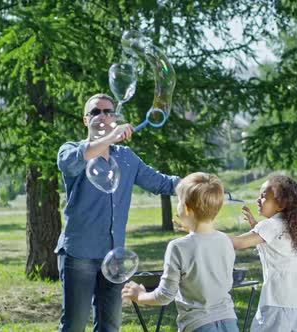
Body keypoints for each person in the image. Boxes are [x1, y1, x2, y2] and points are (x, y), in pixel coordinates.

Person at [56, 93, 180, 332]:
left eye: (108, 112)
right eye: (95, 112)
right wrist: (111, 136)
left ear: (115, 117)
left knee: (110, 326)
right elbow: (70, 162)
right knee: (74, 324)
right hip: (78, 253)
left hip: (114, 257)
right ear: (85, 120)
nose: (102, 116)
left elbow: (161, 182)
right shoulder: (70, 150)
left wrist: (199, 184)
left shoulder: (126, 158)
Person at [122, 172, 238, 332]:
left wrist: (140, 296)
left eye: (178, 200)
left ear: (186, 208)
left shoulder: (178, 247)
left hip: (198, 325)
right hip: (229, 322)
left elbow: (165, 295)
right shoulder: (225, 241)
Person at [227, 173, 297, 332]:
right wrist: (255, 226)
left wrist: (205, 231)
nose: (258, 199)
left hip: (278, 297)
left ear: (281, 204)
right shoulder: (290, 224)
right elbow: (275, 245)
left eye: (264, 196)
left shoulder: (270, 225)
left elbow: (238, 243)